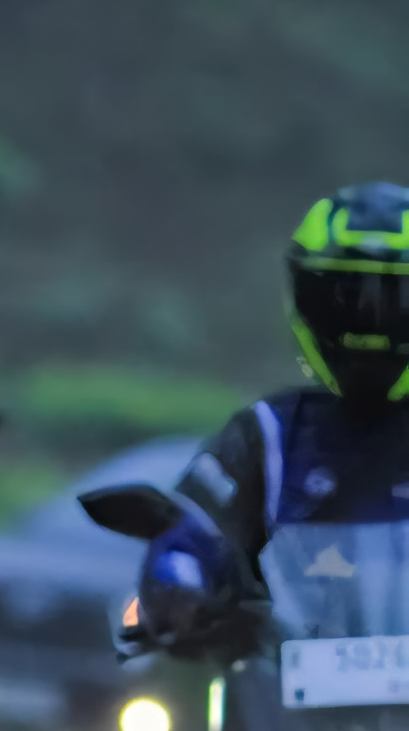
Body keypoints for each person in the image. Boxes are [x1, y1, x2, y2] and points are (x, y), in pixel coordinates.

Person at [139, 183, 409, 650]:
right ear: (306, 300)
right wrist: (179, 584)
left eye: (395, 304)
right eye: (346, 300)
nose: (370, 324)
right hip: (279, 687)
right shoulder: (269, 436)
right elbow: (190, 534)